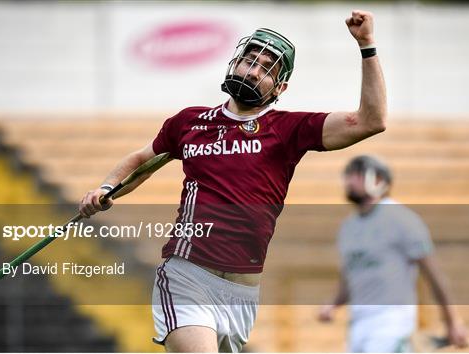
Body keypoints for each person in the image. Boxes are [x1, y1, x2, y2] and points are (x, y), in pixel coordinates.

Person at [80, 10, 387, 353]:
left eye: (266, 69)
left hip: (243, 292)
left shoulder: (288, 130)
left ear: (280, 88)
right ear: (234, 63)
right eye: (249, 61)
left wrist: (367, 46)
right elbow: (141, 161)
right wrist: (107, 188)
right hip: (187, 276)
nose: (253, 71)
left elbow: (370, 121)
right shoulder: (189, 123)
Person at [317, 155, 469, 352]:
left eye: (358, 174)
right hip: (357, 325)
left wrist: (452, 322)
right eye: (348, 174)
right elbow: (349, 280)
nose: (349, 180)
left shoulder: (402, 220)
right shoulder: (348, 228)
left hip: (391, 324)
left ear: (379, 180)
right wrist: (333, 305)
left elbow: (434, 276)